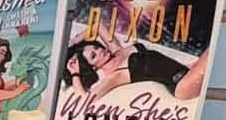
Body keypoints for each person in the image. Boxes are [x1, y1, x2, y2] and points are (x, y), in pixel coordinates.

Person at [61, 36, 208, 100]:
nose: (100, 51)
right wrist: (75, 73)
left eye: (96, 48)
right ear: (93, 67)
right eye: (94, 55)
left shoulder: (118, 51)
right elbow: (85, 100)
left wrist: (73, 43)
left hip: (187, 72)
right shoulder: (114, 76)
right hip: (182, 85)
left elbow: (99, 25)